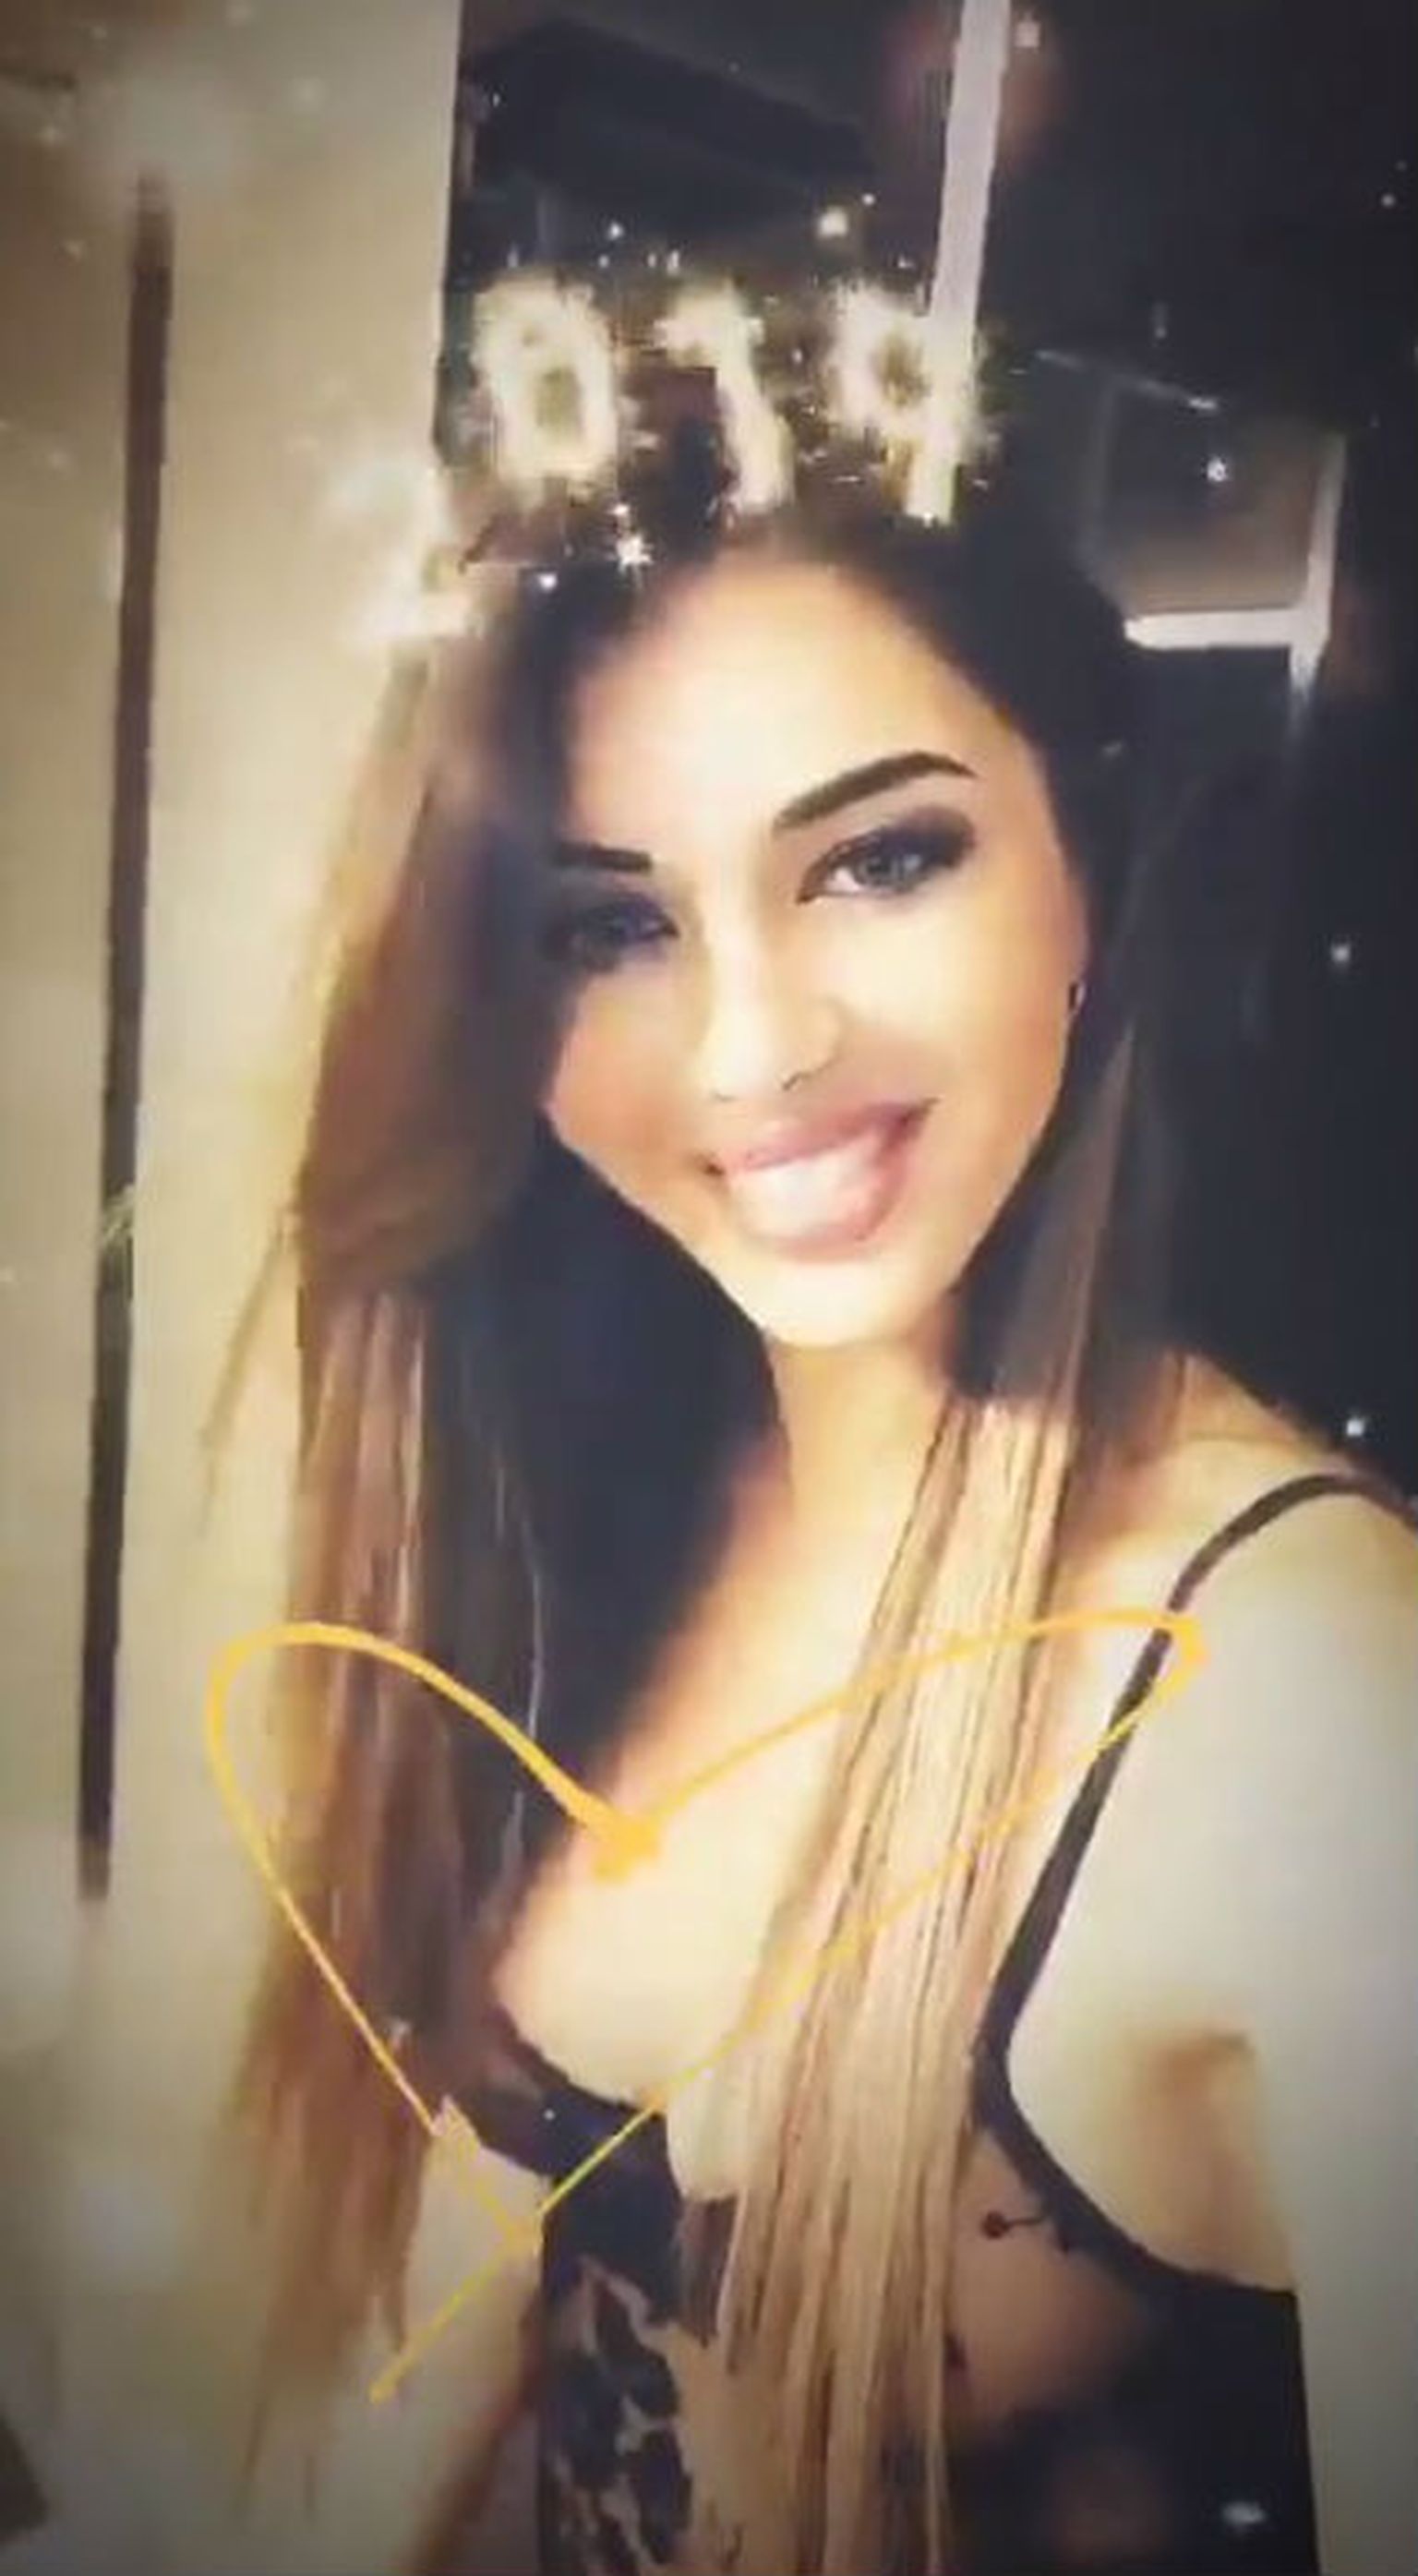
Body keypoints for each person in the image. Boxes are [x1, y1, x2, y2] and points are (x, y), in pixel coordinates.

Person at [223, 329, 1418, 2576]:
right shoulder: (601, 1497)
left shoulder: (1319, 1706)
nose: (755, 1046)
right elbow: (470, 2341)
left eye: (880, 859)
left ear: (1088, 857)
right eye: (611, 924)